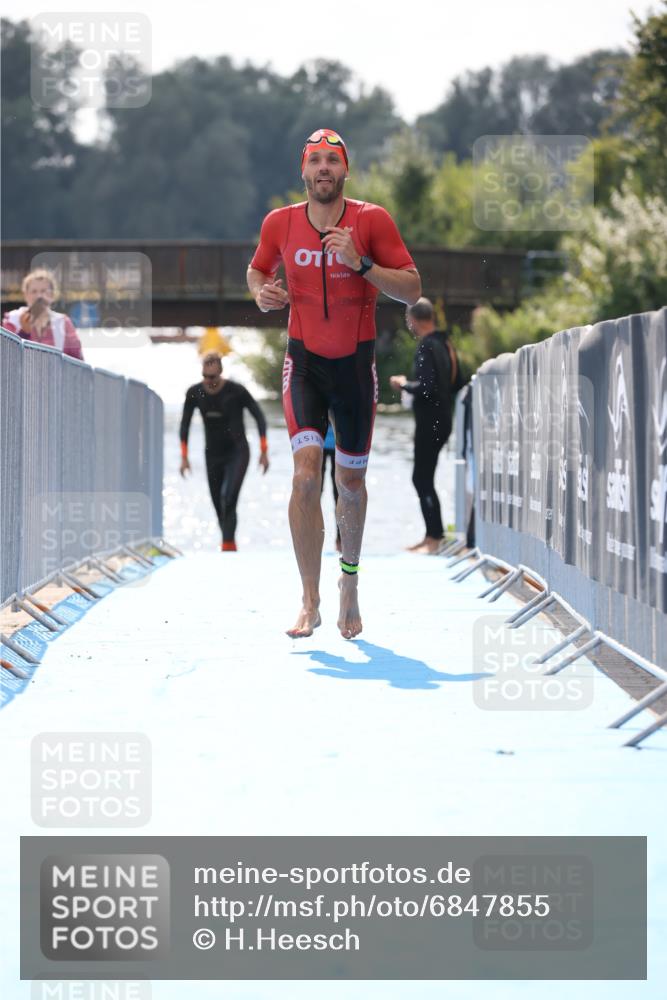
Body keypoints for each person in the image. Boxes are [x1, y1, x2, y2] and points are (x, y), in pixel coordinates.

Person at [247, 127, 421, 638]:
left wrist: (362, 263)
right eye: (315, 160)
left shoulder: (372, 220)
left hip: (354, 368)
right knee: (305, 476)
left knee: (350, 485)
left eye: (333, 160)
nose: (324, 168)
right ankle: (309, 600)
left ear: (346, 171)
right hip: (303, 365)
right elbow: (256, 272)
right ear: (303, 171)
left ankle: (349, 584)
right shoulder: (280, 223)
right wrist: (262, 295)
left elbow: (413, 289)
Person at [389, 297, 465, 554]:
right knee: (425, 477)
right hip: (443, 419)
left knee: (421, 477)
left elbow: (426, 387)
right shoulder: (445, 344)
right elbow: (457, 382)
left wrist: (402, 385)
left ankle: (434, 537)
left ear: (412, 320)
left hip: (431, 422)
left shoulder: (426, 347)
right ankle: (432, 535)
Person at [179, 351, 269, 551]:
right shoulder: (195, 392)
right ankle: (228, 542)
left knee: (228, 498)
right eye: (205, 377)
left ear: (221, 373)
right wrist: (184, 458)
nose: (208, 382)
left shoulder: (236, 391)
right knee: (217, 504)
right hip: (212, 454)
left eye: (213, 377)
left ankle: (228, 548)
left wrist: (264, 451)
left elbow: (260, 418)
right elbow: (184, 426)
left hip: (238, 452)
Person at [3, 268, 84, 360]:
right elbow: (6, 357)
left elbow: (78, 361)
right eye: (34, 291)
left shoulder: (63, 323)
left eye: (44, 291)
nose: (39, 296)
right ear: (26, 295)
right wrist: (23, 332)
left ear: (52, 295)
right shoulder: (12, 320)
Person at [321, 421, 341, 552]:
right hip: (318, 445)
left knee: (339, 496)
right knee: (314, 495)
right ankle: (312, 539)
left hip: (339, 445)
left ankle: (340, 541)